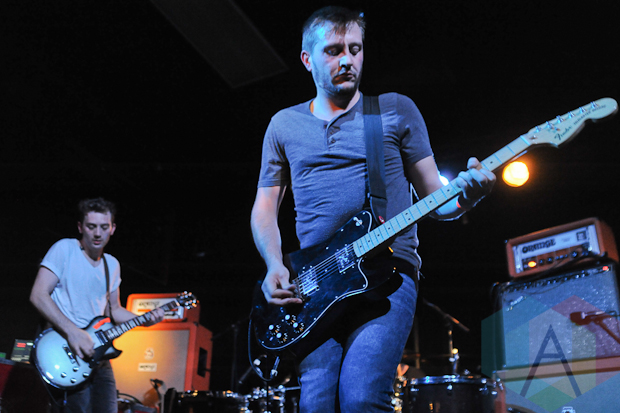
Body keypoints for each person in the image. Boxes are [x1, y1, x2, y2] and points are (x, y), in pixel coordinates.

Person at [250, 6, 496, 412]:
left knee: (362, 396)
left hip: (387, 271)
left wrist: (469, 197)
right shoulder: (283, 125)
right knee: (315, 405)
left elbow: (438, 199)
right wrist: (274, 263)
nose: (347, 59)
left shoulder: (396, 110)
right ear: (307, 59)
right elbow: (264, 206)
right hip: (314, 285)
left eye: (355, 48)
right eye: (333, 51)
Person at [30, 197, 165, 413]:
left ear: (113, 229)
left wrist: (145, 320)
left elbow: (115, 310)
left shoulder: (112, 264)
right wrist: (73, 332)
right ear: (80, 227)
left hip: (98, 352)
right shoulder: (65, 249)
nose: (97, 233)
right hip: (67, 347)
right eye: (91, 226)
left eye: (104, 227)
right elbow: (38, 295)